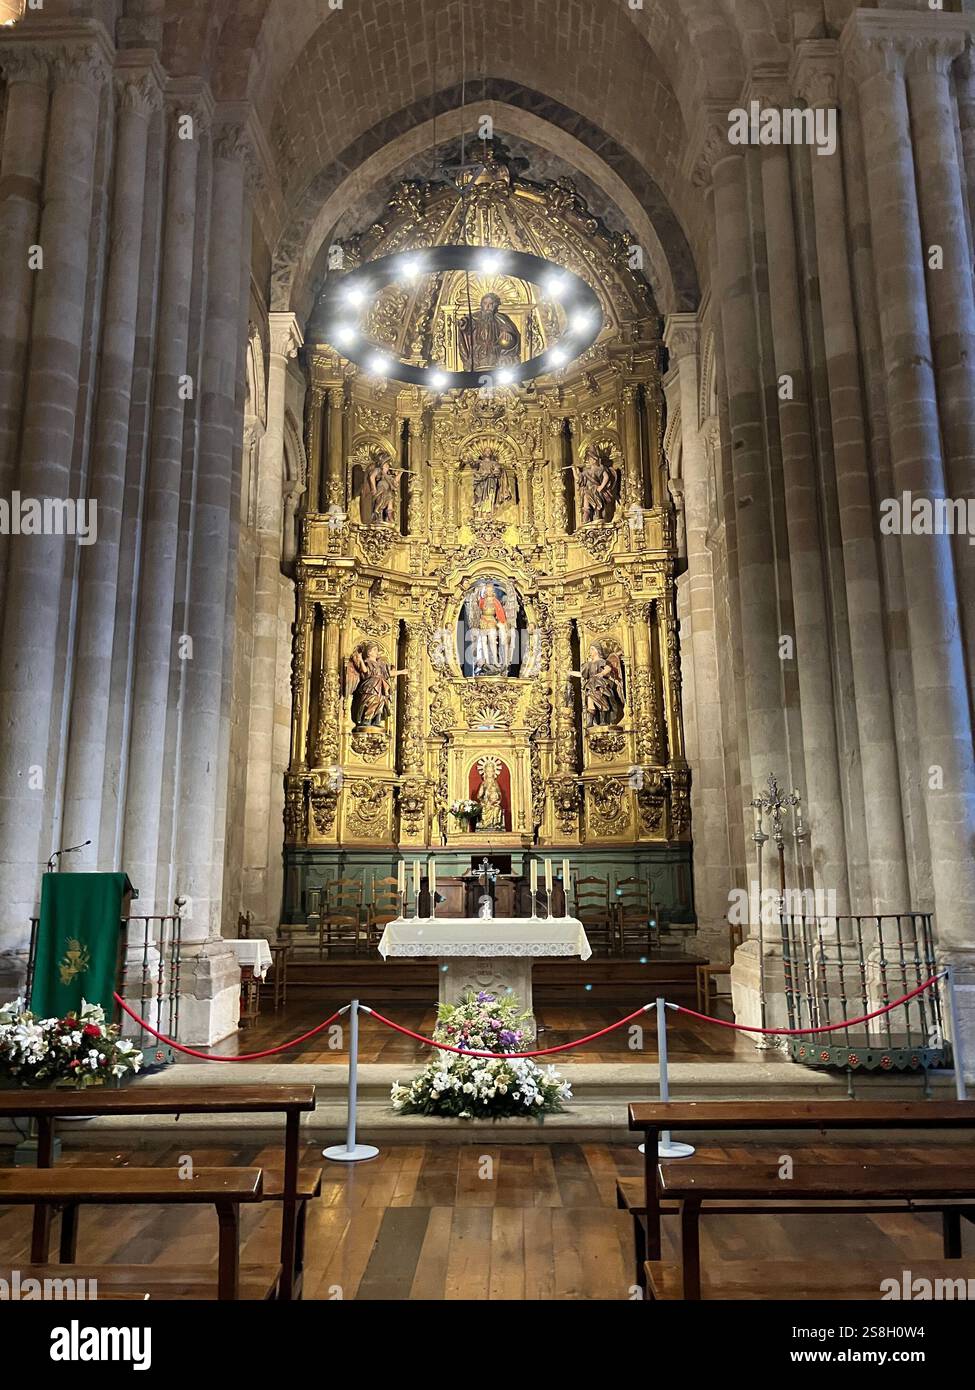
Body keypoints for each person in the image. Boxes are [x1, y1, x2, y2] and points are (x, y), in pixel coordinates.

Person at [458, 292, 521, 372]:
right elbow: (468, 325)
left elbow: (510, 334)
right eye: (485, 303)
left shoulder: (500, 319)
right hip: (478, 353)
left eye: (491, 304)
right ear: (481, 305)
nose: (487, 306)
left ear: (495, 306)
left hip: (495, 352)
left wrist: (508, 337)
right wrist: (464, 323)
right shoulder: (475, 317)